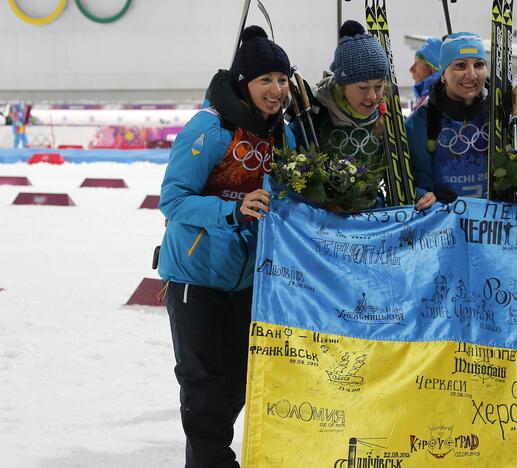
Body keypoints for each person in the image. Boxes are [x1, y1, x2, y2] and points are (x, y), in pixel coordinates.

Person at [157, 25, 295, 468]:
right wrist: (230, 212)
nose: (277, 90)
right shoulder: (210, 128)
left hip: (248, 281)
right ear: (243, 84)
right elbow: (173, 200)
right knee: (201, 385)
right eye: (265, 81)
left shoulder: (282, 134)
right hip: (194, 277)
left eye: (283, 79)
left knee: (236, 383)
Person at [293, 20, 436, 211]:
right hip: (324, 221)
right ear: (342, 84)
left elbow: (402, 176)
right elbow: (293, 182)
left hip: (371, 220)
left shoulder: (389, 118)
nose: (372, 96)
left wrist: (421, 195)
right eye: (362, 87)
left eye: (378, 86)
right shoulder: (315, 115)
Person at [406, 32, 517, 200]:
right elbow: (414, 183)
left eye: (478, 65)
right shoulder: (420, 123)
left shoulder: (508, 116)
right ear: (443, 73)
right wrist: (424, 196)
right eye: (460, 65)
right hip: (446, 223)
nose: (471, 75)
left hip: (494, 224)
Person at [410, 36, 442, 108]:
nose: (411, 69)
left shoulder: (437, 101)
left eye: (417, 63)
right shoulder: (424, 99)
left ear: (433, 68)